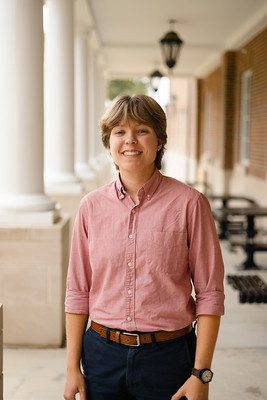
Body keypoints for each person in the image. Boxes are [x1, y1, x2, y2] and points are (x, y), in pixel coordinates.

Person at [64, 94, 225, 400]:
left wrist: (201, 375)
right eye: (119, 132)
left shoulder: (190, 204)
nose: (130, 141)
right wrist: (73, 367)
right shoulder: (90, 206)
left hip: (169, 358)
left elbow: (210, 294)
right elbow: (77, 290)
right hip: (100, 356)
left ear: (159, 141)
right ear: (108, 143)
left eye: (142, 131)